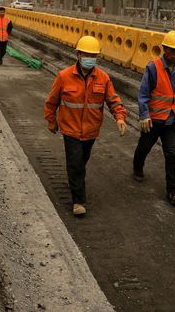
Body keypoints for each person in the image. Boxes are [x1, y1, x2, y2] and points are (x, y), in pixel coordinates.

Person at [44, 36, 127, 216]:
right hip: (70, 130)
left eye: (93, 55)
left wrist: (120, 117)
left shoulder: (103, 78)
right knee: (75, 163)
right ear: (79, 54)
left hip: (91, 131)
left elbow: (113, 100)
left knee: (81, 161)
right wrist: (51, 120)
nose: (90, 58)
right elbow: (52, 101)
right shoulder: (64, 76)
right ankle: (78, 201)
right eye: (87, 54)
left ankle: (75, 180)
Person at [132, 30, 175, 207]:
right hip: (154, 119)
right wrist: (144, 115)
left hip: (173, 121)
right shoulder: (153, 68)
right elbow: (143, 94)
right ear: (164, 49)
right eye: (172, 50)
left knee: (173, 154)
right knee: (144, 146)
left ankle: (173, 192)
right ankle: (137, 167)